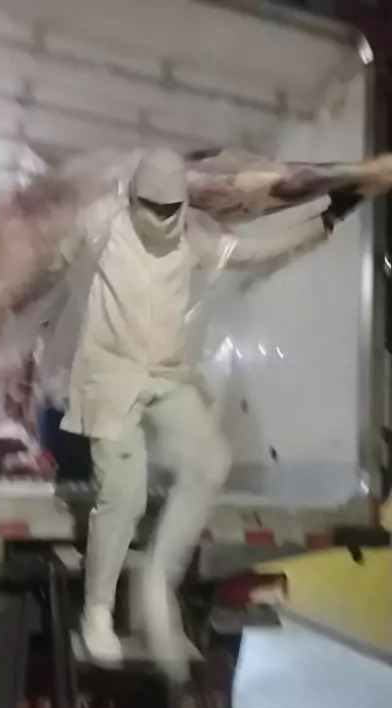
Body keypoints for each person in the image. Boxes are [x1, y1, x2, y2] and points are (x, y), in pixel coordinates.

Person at [57, 148, 361, 678]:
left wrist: (325, 221)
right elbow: (50, 262)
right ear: (131, 198)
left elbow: (257, 253)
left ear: (182, 203)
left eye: (168, 208)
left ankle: (158, 581)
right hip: (110, 378)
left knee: (210, 461)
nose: (159, 218)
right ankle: (97, 612)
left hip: (166, 375)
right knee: (123, 495)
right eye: (150, 206)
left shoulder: (193, 236)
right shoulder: (100, 223)